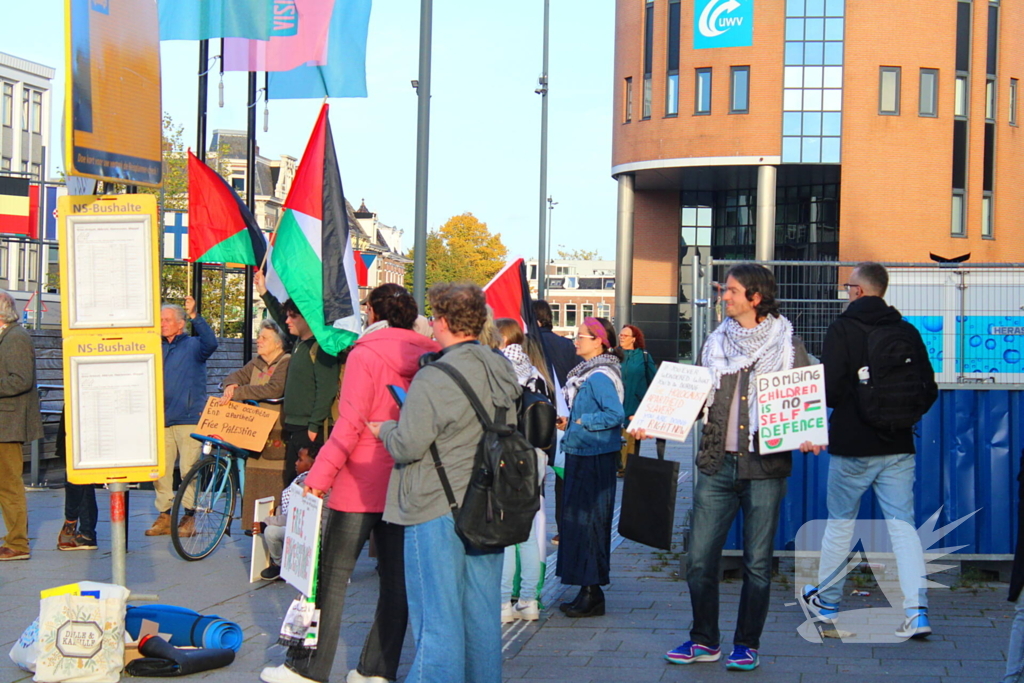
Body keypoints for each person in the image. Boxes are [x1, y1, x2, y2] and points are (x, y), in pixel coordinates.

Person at [261, 283, 441, 683]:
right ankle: (376, 670)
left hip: (360, 482)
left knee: (330, 579)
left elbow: (351, 422)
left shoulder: (366, 353)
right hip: (407, 481)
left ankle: (306, 668)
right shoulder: (430, 354)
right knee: (396, 582)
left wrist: (319, 477)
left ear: (374, 314)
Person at [659, 263, 811, 671]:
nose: (723, 296)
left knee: (757, 563)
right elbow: (689, 395)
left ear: (755, 297)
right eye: (724, 290)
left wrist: (809, 433)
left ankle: (748, 643)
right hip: (716, 465)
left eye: (730, 291)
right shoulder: (714, 344)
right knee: (698, 559)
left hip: (765, 467)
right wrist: (654, 418)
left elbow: (804, 400)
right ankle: (704, 640)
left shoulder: (787, 345)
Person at [367, 282, 521, 683]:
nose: (431, 324)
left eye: (434, 317)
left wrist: (383, 428)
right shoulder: (500, 366)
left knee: (438, 620)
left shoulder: (435, 377)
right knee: (482, 616)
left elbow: (407, 445)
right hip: (490, 503)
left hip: (437, 505)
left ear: (445, 322)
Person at [802, 262, 938, 639]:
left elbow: (829, 389)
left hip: (852, 445)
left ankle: (827, 603)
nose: (847, 292)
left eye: (849, 287)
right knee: (903, 527)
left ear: (859, 291)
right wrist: (897, 418)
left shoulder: (842, 328)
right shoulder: (906, 330)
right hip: (898, 444)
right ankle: (917, 611)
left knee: (840, 525)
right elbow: (928, 388)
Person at [555, 317, 624, 618]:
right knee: (581, 524)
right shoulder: (588, 374)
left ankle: (591, 592)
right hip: (584, 452)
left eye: (581, 336)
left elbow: (615, 414)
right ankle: (586, 589)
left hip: (593, 457)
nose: (575, 341)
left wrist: (583, 423)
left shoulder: (598, 376)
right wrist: (572, 423)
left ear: (598, 341)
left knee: (588, 523)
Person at [255, 270, 340, 489]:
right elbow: (278, 316)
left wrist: (313, 424)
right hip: (294, 425)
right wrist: (264, 292)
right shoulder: (299, 343)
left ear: (307, 318)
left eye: (293, 316)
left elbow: (326, 388)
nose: (287, 321)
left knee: (305, 484)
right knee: (291, 482)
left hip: (309, 429)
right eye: (287, 316)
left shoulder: (320, 348)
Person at [492, 318, 549, 623]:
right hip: (535, 454)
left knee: (504, 530)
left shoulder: (503, 368)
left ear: (500, 338)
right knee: (525, 532)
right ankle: (528, 599)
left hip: (509, 454)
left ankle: (502, 602)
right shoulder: (534, 370)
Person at [147, 296, 218, 537]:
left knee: (189, 469)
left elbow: (211, 343)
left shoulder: (194, 345)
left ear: (180, 324)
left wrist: (196, 316)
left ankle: (189, 516)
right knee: (161, 470)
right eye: (159, 320)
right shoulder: (155, 346)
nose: (162, 324)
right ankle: (165, 515)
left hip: (188, 418)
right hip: (161, 419)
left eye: (166, 320)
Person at [220, 319, 291, 530]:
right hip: (253, 430)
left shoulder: (286, 361)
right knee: (254, 479)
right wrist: (230, 384)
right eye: (259, 336)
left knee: (273, 481)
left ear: (278, 343)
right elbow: (237, 375)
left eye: (264, 338)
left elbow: (274, 389)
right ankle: (253, 526)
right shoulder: (257, 362)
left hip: (276, 430)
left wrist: (238, 393)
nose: (258, 341)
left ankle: (271, 527)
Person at [532, 299, 581, 546]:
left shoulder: (528, 343)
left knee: (534, 476)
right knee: (564, 478)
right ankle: (564, 529)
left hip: (535, 420)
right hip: (564, 420)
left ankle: (534, 530)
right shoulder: (567, 345)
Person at [0, 290, 43, 561]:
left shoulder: (16, 338)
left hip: (8, 423)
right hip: (5, 421)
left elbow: (20, 380)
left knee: (9, 484)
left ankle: (17, 543)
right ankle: (13, 538)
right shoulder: (8, 336)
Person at [258, 445, 316, 581]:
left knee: (271, 532)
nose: (296, 463)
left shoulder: (306, 484)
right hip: (301, 526)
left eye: (300, 460)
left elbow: (294, 517)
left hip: (307, 532)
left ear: (313, 464)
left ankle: (279, 565)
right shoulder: (300, 479)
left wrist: (266, 523)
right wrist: (278, 511)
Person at [617, 324, 659, 476]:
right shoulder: (614, 354)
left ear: (634, 339)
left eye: (625, 335)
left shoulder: (644, 356)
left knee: (631, 436)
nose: (621, 337)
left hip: (636, 404)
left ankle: (627, 467)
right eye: (620, 335)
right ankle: (620, 466)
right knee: (616, 433)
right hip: (617, 402)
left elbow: (653, 379)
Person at [56, 410, 98, 551]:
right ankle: (84, 530)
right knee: (78, 477)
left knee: (78, 477)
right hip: (78, 412)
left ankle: (78, 528)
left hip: (84, 414)